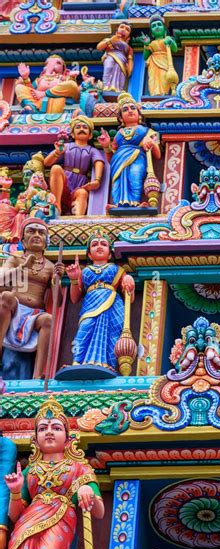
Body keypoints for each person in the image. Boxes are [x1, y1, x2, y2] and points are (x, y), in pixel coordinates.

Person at [3, 396, 104, 549]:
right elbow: (15, 514)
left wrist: (88, 492)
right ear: (35, 438)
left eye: (56, 427)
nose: (49, 432)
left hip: (60, 518)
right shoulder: (29, 470)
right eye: (43, 428)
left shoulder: (79, 467)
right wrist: (16, 490)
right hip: (26, 524)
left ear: (67, 438)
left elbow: (99, 511)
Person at [0, 219, 64, 378]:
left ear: (46, 242)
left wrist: (57, 280)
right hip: (14, 308)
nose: (36, 235)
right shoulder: (15, 258)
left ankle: (38, 375)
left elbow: (59, 302)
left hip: (35, 313)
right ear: (23, 240)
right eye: (31, 231)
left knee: (49, 319)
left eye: (41, 233)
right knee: (6, 296)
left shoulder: (50, 266)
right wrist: (23, 267)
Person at [65, 229, 135, 375]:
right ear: (89, 254)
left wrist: (128, 279)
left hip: (113, 303)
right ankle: (77, 362)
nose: (99, 246)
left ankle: (108, 363)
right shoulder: (84, 271)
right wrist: (73, 278)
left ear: (110, 253)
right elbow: (74, 298)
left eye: (103, 244)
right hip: (91, 303)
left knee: (112, 334)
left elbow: (130, 295)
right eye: (94, 244)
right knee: (85, 328)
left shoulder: (117, 270)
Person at [97, 93, 161, 208]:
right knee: (117, 182)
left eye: (133, 108)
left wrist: (150, 141)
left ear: (139, 113)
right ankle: (118, 204)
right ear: (121, 117)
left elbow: (157, 154)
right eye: (125, 110)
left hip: (137, 158)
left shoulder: (147, 131)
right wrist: (106, 146)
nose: (130, 111)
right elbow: (111, 159)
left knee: (135, 175)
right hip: (118, 161)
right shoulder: (118, 135)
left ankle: (135, 203)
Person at [43, 115, 104, 217]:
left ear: (90, 135)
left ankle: (78, 218)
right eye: (78, 127)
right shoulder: (66, 147)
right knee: (56, 168)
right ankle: (56, 206)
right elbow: (46, 163)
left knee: (82, 193)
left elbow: (99, 162)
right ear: (72, 134)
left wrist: (97, 180)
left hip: (79, 185)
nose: (81, 129)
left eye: (85, 127)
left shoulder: (92, 150)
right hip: (64, 183)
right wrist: (57, 153)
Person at [15, 56, 80, 114]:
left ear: (63, 68)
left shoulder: (63, 78)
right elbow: (31, 91)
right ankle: (30, 107)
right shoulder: (40, 79)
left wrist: (72, 77)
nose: (53, 65)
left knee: (72, 84)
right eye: (49, 63)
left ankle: (45, 94)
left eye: (58, 63)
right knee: (19, 88)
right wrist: (25, 78)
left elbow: (72, 90)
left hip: (57, 101)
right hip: (38, 101)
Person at [141, 18, 178, 96]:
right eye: (154, 26)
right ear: (152, 34)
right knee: (153, 79)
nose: (157, 27)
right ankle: (154, 94)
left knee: (163, 77)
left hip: (165, 62)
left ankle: (163, 93)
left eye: (159, 24)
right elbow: (145, 56)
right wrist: (146, 44)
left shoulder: (167, 39)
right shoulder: (152, 43)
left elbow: (175, 49)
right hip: (153, 64)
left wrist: (170, 41)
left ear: (164, 30)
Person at [97, 23, 134, 94]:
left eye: (127, 29)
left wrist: (129, 69)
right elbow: (99, 47)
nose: (124, 30)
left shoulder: (129, 48)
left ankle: (118, 90)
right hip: (111, 56)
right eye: (122, 27)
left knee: (120, 76)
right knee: (108, 67)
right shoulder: (110, 39)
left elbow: (130, 60)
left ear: (129, 37)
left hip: (122, 62)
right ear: (117, 29)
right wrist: (111, 41)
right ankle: (106, 87)